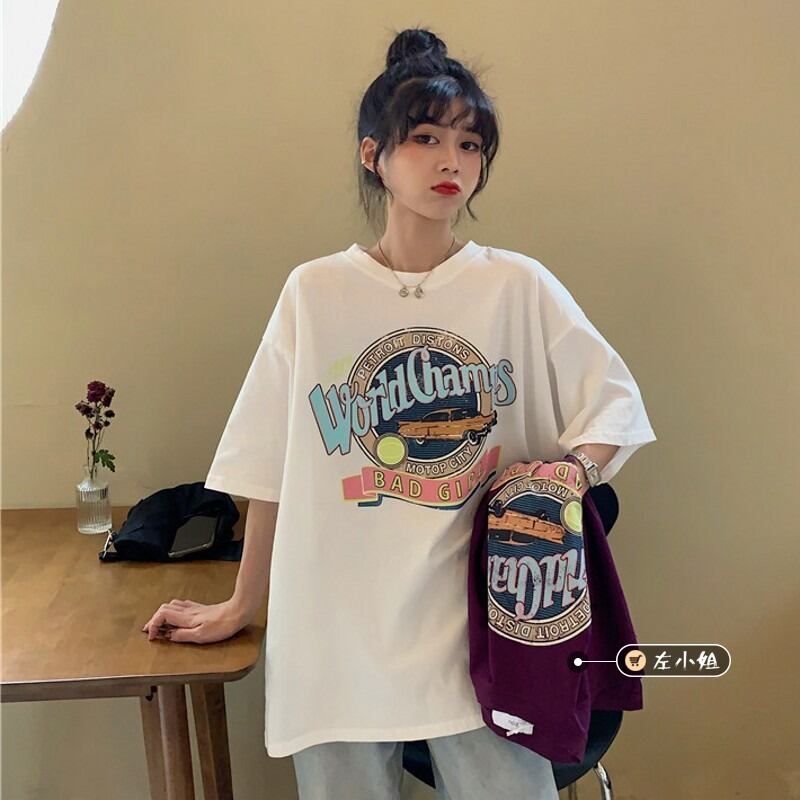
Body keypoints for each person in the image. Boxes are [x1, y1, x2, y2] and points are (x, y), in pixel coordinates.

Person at [143, 26, 657, 799]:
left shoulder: (516, 286)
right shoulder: (315, 293)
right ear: (372, 154)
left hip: (479, 626)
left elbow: (614, 404)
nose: (452, 161)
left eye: (470, 144)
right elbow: (270, 465)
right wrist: (245, 602)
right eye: (425, 138)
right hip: (338, 625)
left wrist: (569, 475)